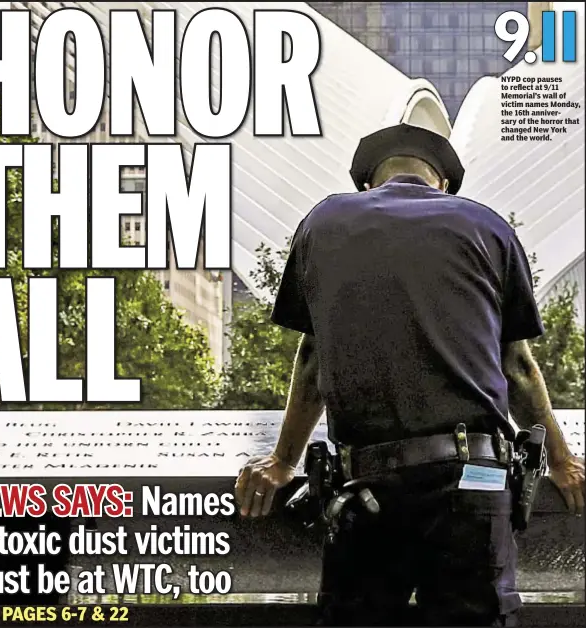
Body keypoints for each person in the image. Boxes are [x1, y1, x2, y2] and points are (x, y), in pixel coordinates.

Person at [234, 123, 585, 627]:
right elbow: (519, 368)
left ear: (369, 182)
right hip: (476, 481)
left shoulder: (325, 222)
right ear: (442, 181)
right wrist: (562, 459)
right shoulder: (487, 227)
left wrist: (283, 460)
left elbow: (313, 359)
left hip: (367, 489)